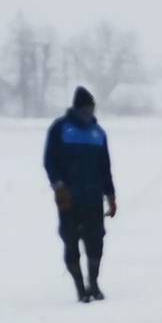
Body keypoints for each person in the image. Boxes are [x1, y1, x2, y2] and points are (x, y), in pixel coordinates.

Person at [42, 85, 117, 303]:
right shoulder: (60, 129)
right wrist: (58, 186)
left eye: (92, 109)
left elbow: (105, 168)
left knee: (96, 242)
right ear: (78, 108)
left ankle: (93, 284)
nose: (90, 113)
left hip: (93, 197)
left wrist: (110, 196)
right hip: (69, 198)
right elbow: (49, 161)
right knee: (71, 241)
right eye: (87, 109)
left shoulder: (98, 133)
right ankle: (80, 288)